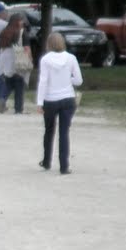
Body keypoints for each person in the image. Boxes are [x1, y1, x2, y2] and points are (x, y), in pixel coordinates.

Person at [36, 31, 83, 174]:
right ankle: (64, 166)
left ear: (48, 44)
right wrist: (68, 79)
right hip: (68, 99)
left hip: (50, 100)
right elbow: (79, 80)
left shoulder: (45, 60)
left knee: (49, 130)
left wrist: (39, 102)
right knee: (64, 132)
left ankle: (46, 161)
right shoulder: (71, 58)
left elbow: (43, 81)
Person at [0, 12, 29, 116]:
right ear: (17, 21)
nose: (23, 22)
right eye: (21, 20)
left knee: (8, 83)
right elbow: (26, 48)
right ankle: (18, 109)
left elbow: (0, 48)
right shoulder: (21, 33)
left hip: (6, 60)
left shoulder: (5, 31)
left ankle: (1, 101)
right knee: (19, 85)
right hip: (18, 59)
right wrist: (29, 60)